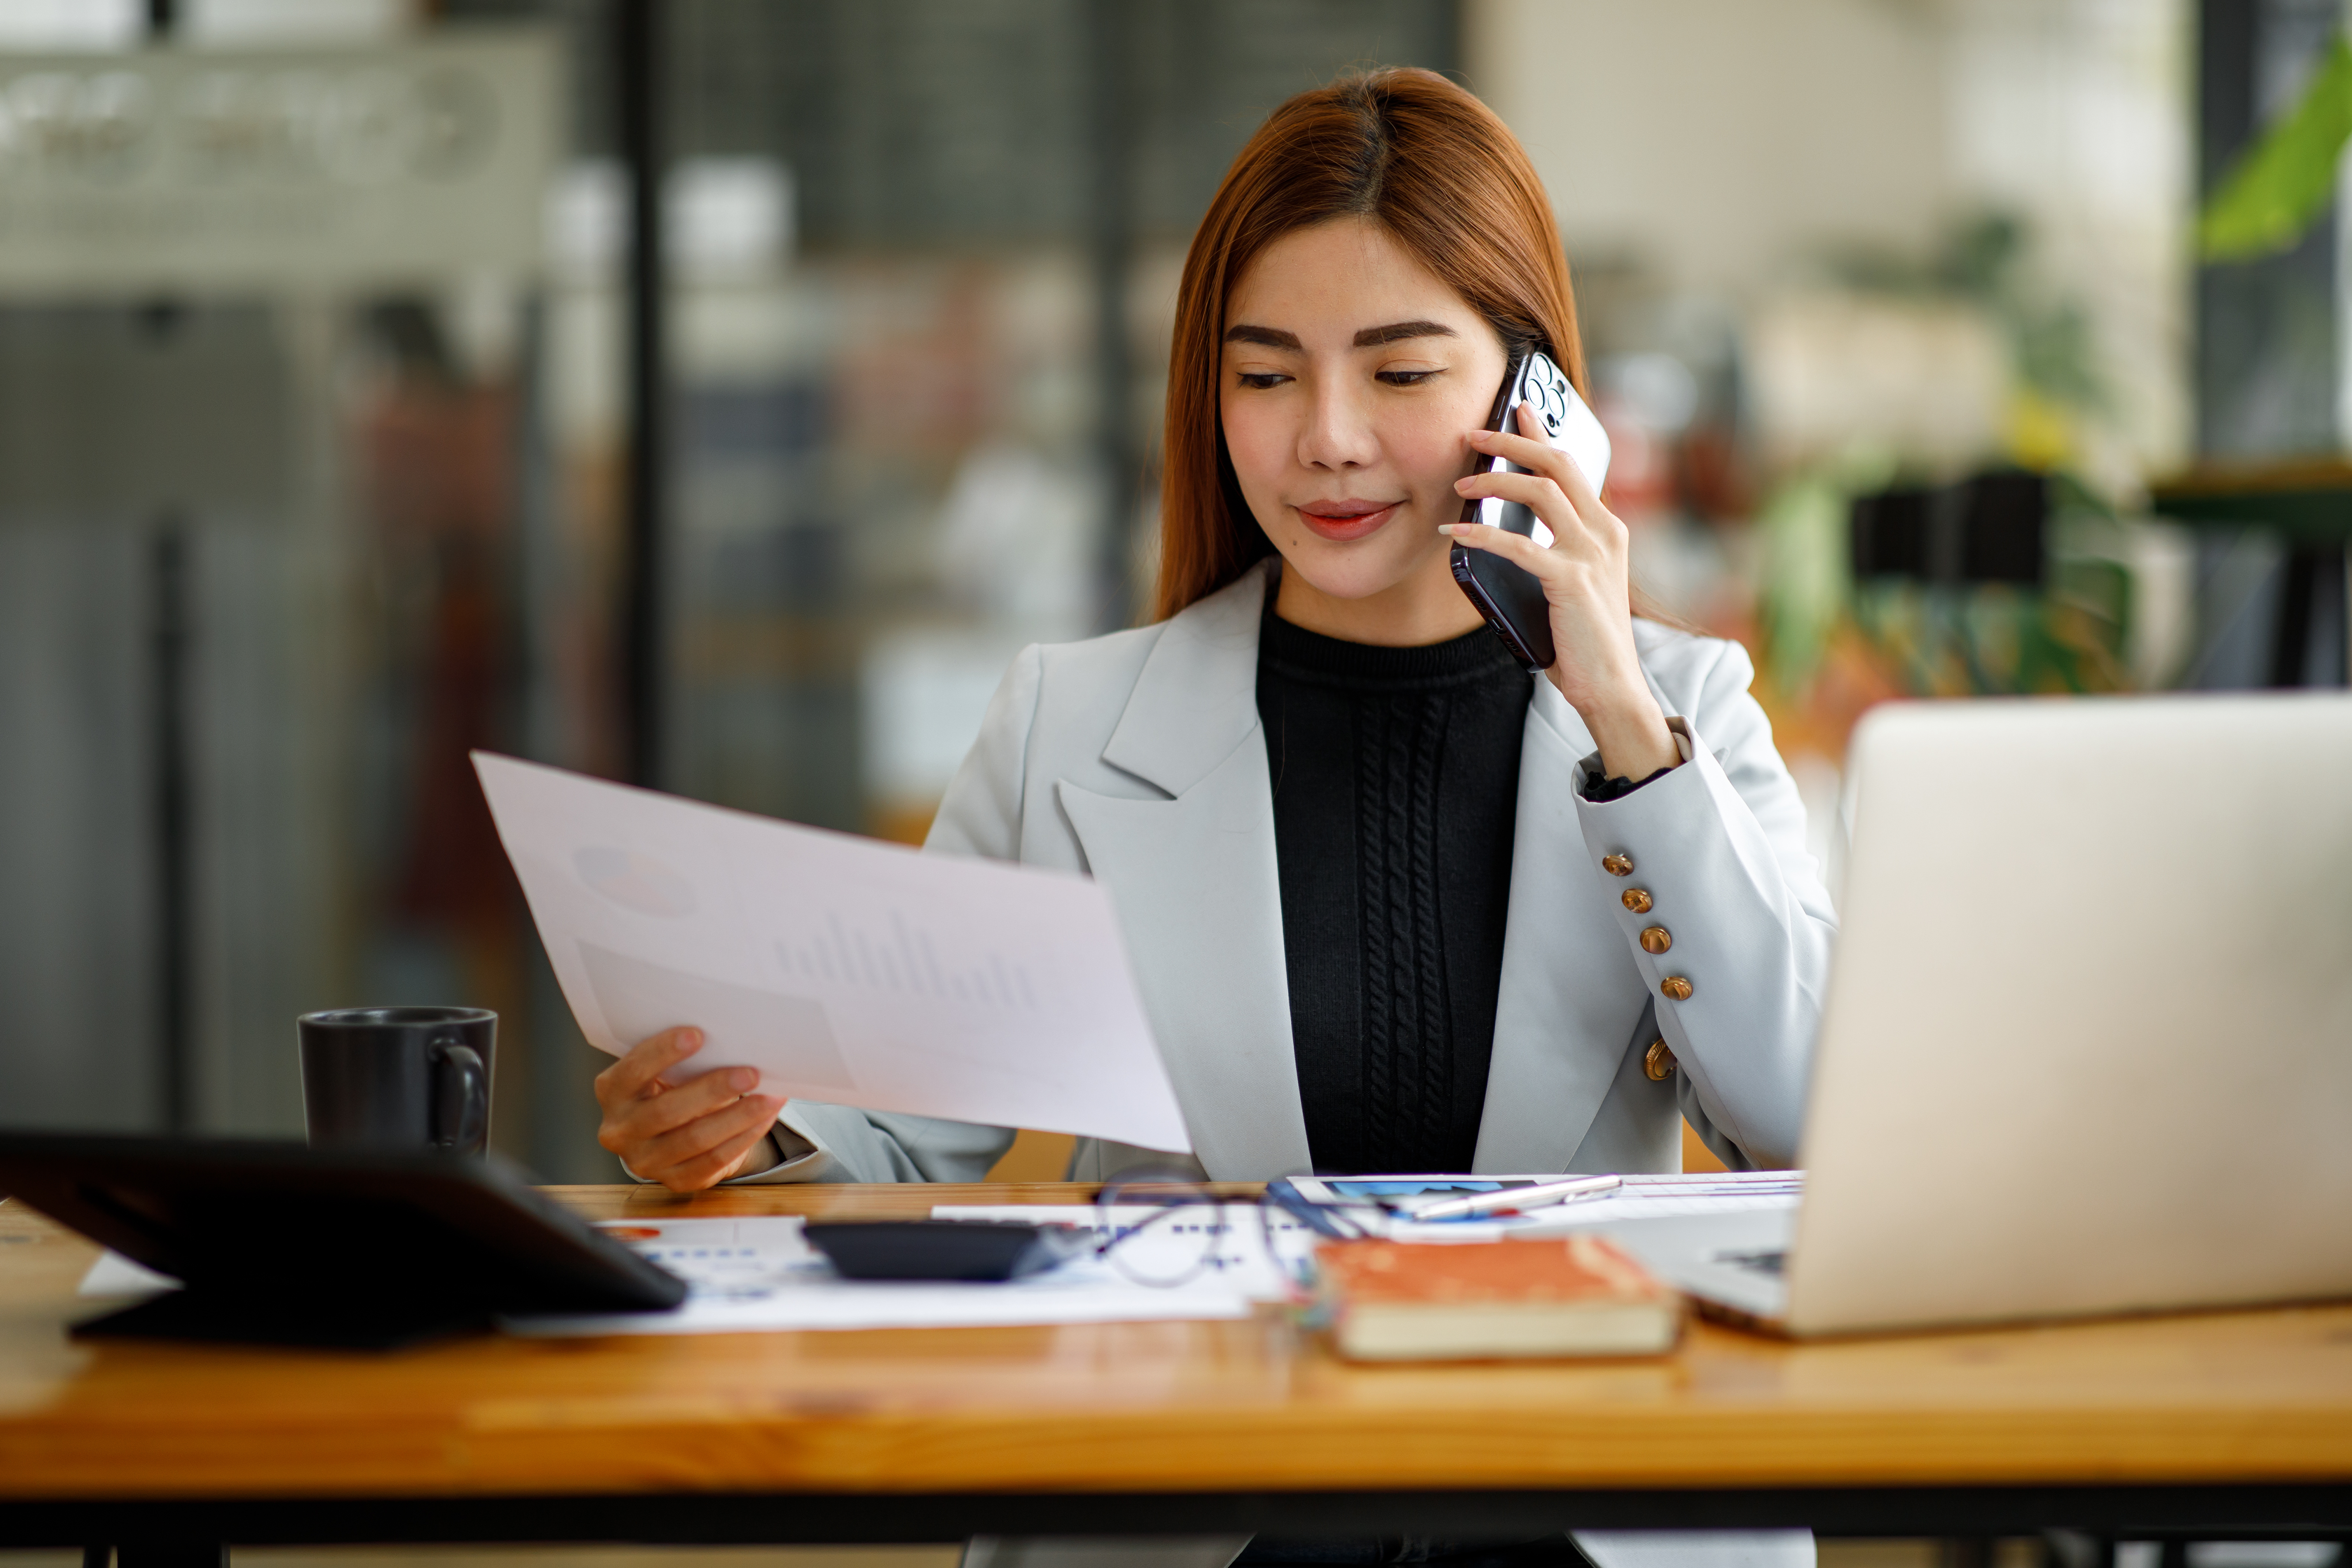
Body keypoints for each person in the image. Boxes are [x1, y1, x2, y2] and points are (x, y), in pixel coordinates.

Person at [590, 67, 1830, 1568]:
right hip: (1194, 1513)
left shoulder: (1683, 708)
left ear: (1534, 398)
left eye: (1399, 370)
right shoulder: (1074, 722)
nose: (1326, 438)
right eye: (1265, 374)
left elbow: (1805, 1118)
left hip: (1578, 1504)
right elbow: (891, 1148)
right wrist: (741, 1132)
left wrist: (1625, 724)